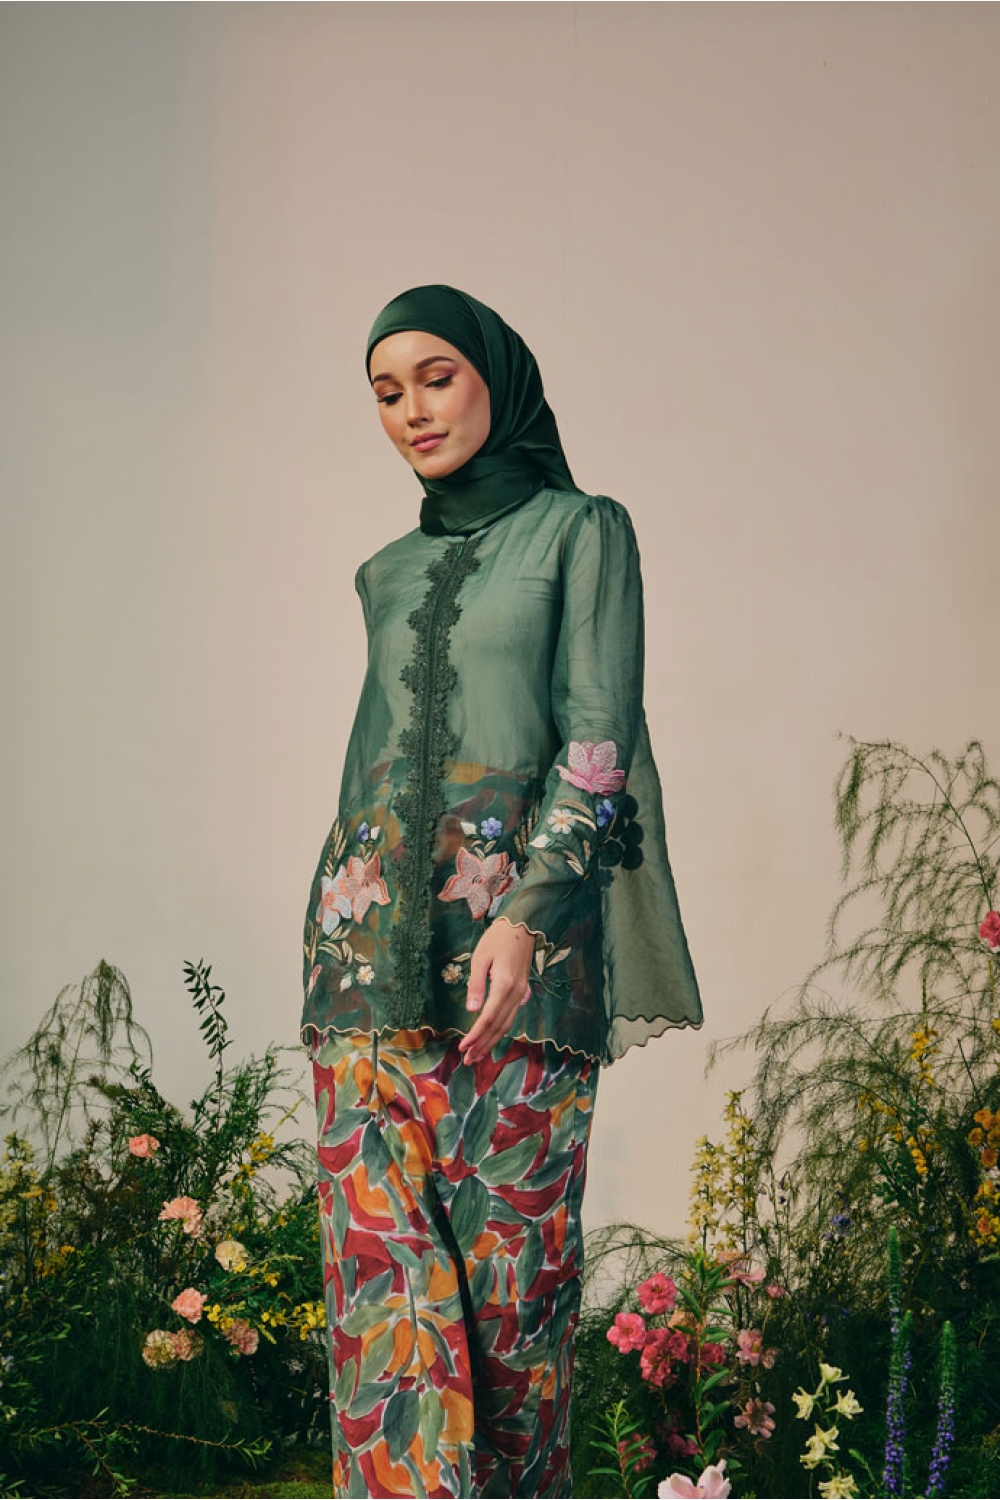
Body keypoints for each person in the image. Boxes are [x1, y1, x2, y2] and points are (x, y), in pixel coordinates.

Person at [302, 284, 702, 1499]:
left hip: (520, 969)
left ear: (496, 379)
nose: (412, 412)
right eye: (386, 393)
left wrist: (526, 916)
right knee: (384, 1310)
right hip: (360, 967)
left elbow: (597, 743)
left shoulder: (582, 533)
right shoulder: (382, 571)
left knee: (510, 1315)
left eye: (436, 378)